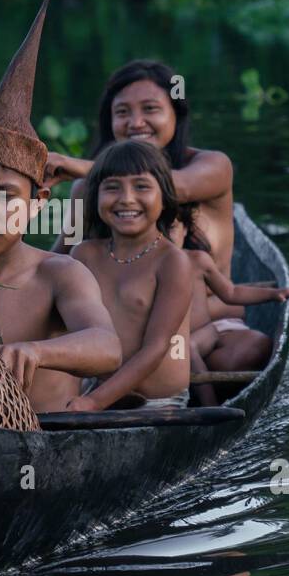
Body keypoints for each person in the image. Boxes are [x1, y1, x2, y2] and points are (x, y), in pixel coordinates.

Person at [0, 0, 121, 412]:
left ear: (38, 202)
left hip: (47, 439)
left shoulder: (58, 274)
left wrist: (36, 351)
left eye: (4, 195)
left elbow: (107, 348)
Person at [46, 60, 240, 323]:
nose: (136, 123)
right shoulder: (86, 188)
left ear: (176, 113)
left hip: (207, 321)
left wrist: (74, 164)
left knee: (242, 353)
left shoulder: (213, 166)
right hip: (121, 323)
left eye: (150, 109)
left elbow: (175, 186)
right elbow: (61, 256)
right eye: (123, 112)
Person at [65, 140, 194, 412]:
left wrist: (93, 403)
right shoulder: (84, 255)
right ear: (95, 197)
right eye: (112, 187)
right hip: (94, 389)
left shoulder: (172, 262)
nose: (126, 198)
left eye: (141, 186)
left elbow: (155, 348)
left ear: (164, 196)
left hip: (158, 404)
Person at [169, 213, 289, 383]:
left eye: (171, 228)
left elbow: (231, 293)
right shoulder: (148, 264)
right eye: (158, 229)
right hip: (174, 338)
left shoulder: (197, 261)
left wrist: (274, 294)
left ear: (185, 229)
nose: (165, 235)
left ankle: (209, 403)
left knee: (185, 348)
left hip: (202, 333)